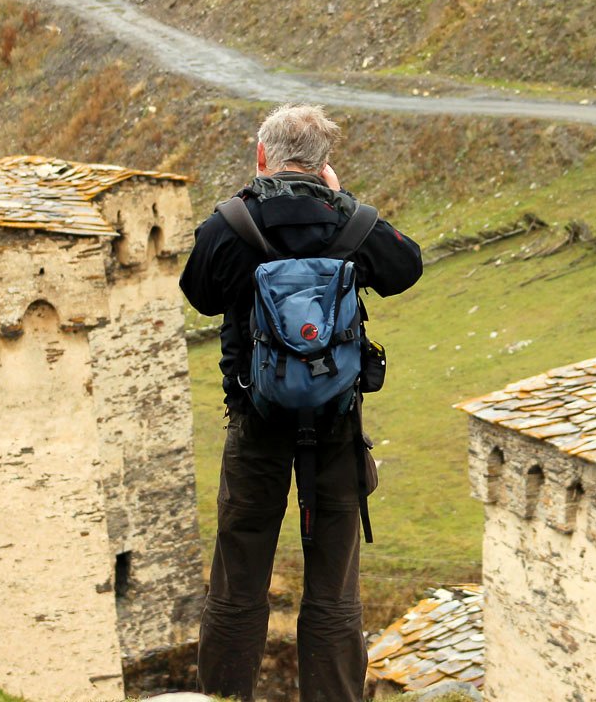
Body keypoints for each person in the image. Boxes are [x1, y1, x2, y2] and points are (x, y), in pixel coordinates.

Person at [180, 104, 422, 702]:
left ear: (262, 156)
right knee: (335, 595)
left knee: (237, 585)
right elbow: (406, 267)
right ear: (325, 164)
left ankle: (223, 698)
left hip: (256, 425)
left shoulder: (232, 224)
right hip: (337, 430)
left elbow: (199, 293)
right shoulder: (351, 222)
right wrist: (341, 204)